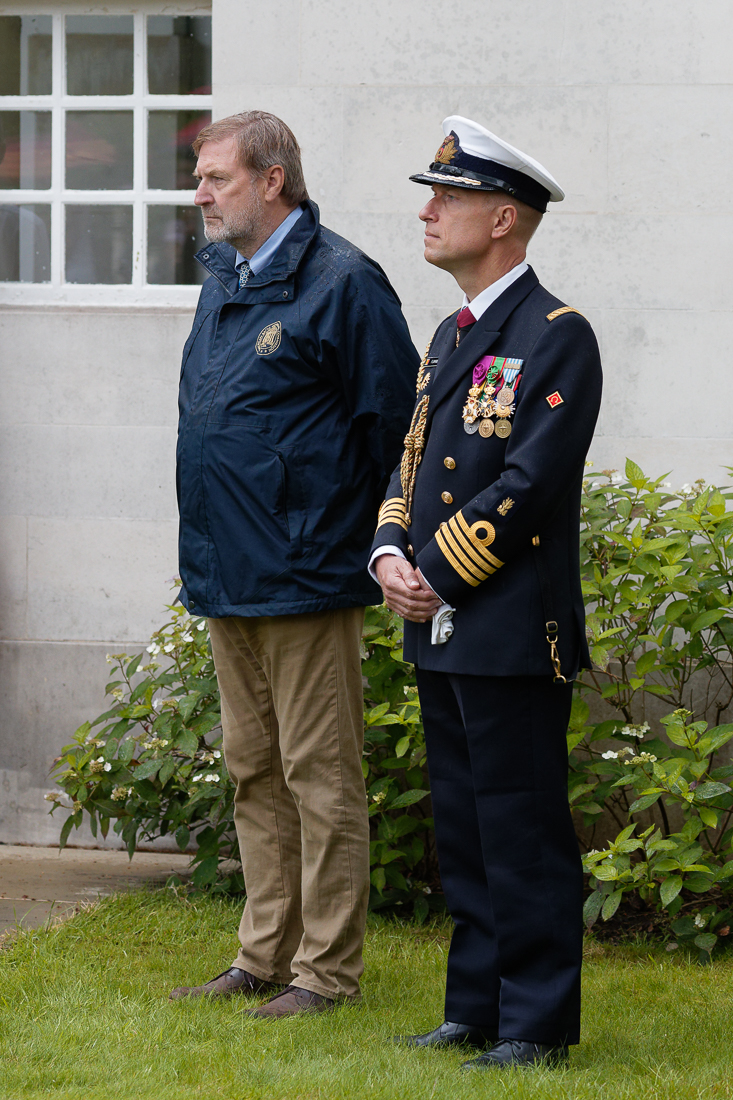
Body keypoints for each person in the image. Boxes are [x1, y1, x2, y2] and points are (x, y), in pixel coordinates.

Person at [170, 111, 419, 1017]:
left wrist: (379, 540)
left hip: (306, 575)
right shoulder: (225, 277)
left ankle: (326, 973)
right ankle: (262, 955)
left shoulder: (345, 282)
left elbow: (401, 434)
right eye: (199, 179)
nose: (200, 194)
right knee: (254, 772)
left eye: (217, 178)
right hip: (227, 571)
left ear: (272, 180)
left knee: (320, 777)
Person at [371, 116, 602, 1069]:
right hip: (442, 622)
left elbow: (528, 483)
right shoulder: (450, 332)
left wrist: (434, 571)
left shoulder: (556, 335)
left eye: (447, 197)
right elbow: (412, 458)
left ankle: (535, 1023)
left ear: (502, 218)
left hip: (509, 626)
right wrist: (388, 552)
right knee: (465, 827)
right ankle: (473, 1007)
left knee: (520, 828)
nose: (427, 212)